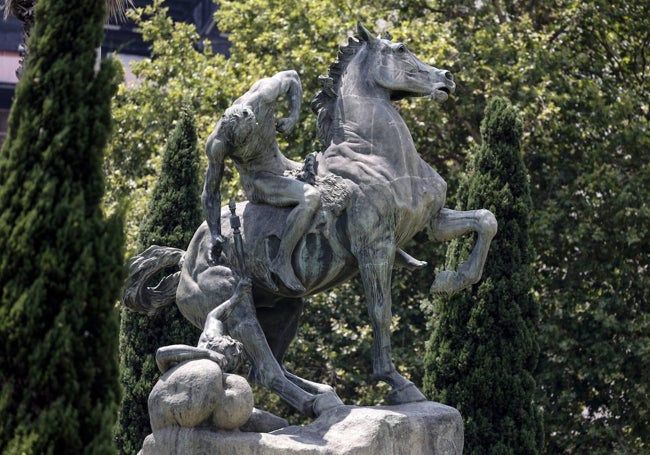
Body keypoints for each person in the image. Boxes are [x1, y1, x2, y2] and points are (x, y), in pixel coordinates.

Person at [202, 70, 319, 293]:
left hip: (284, 164)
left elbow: (293, 77)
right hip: (258, 181)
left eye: (250, 133)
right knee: (310, 199)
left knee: (330, 167)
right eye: (242, 141)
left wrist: (293, 117)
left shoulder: (263, 96)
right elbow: (210, 192)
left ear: (253, 118)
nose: (248, 140)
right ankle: (281, 261)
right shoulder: (217, 144)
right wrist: (215, 232)